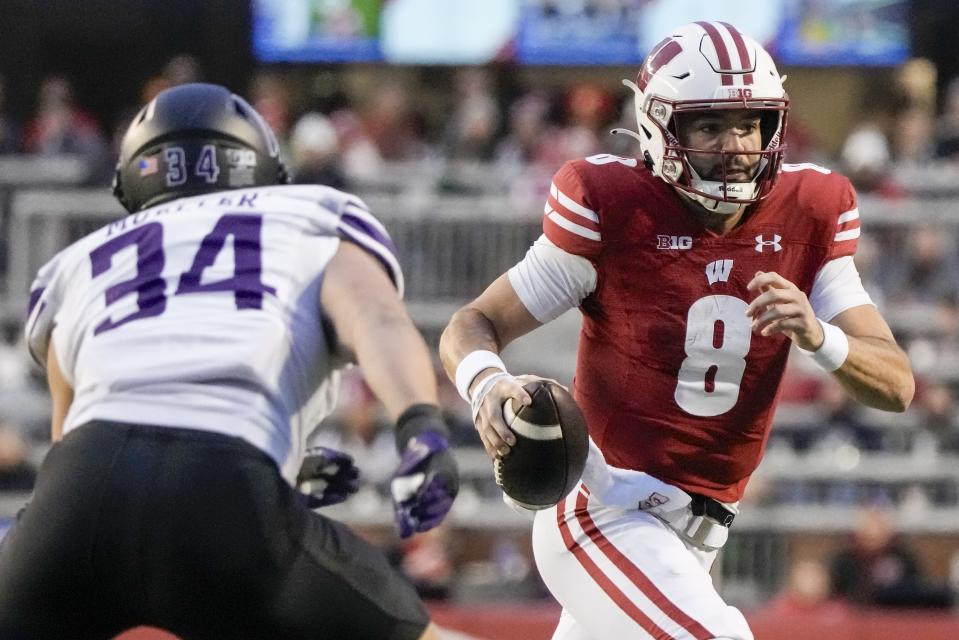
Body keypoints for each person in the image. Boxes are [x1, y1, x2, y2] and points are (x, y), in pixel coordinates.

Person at [440, 21, 914, 640]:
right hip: (604, 511)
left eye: (748, 124)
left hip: (697, 542)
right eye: (710, 125)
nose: (737, 145)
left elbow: (897, 383)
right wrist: (485, 387)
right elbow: (471, 323)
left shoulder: (809, 215)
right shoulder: (613, 207)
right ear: (660, 127)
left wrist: (821, 338)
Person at [0, 83, 458, 640]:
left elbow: (68, 436)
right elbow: (376, 321)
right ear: (259, 164)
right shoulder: (307, 213)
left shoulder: (76, 263)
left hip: (77, 501)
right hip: (225, 487)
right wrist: (420, 425)